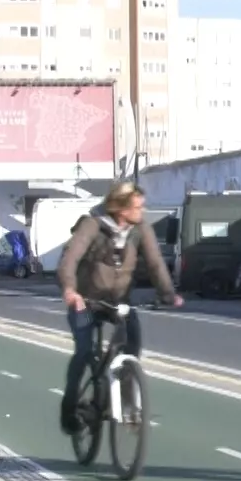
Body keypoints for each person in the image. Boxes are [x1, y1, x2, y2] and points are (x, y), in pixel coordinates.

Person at [56, 182, 182, 433]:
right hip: (85, 299)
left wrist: (168, 293)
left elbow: (156, 263)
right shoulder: (92, 224)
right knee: (83, 352)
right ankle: (69, 408)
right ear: (121, 209)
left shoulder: (140, 229)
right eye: (137, 207)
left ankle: (125, 404)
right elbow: (70, 258)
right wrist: (70, 290)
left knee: (131, 346)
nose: (142, 211)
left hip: (118, 301)